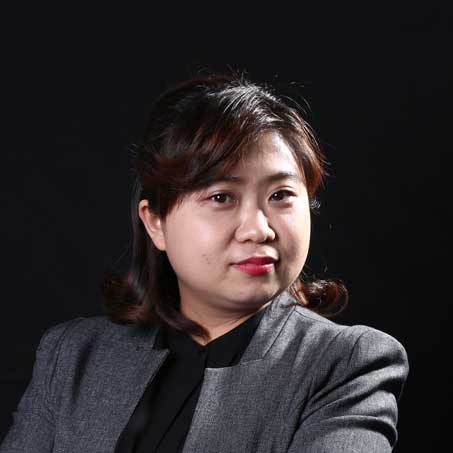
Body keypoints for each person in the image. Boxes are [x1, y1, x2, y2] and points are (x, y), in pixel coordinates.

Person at [0, 71, 409, 453]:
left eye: (281, 195)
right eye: (221, 197)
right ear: (156, 223)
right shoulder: (74, 355)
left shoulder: (346, 364)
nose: (258, 229)